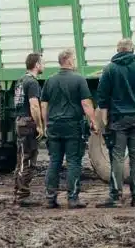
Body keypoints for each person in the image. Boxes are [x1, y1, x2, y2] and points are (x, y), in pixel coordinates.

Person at [95, 37, 135, 208]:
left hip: (118, 120)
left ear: (117, 50)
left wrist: (105, 119)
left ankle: (116, 196)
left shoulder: (109, 70)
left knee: (118, 157)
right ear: (132, 49)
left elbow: (103, 98)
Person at [38, 48, 95, 209]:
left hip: (54, 126)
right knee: (73, 161)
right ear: (69, 61)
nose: (75, 62)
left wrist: (46, 124)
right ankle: (72, 198)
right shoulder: (79, 80)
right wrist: (93, 121)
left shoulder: (50, 80)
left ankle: (50, 198)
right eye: (74, 59)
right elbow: (85, 103)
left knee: (54, 161)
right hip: (72, 126)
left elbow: (44, 105)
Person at [11, 52, 44, 206]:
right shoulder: (32, 82)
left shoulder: (20, 81)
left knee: (21, 159)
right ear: (36, 64)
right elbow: (34, 105)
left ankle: (18, 192)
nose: (43, 65)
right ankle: (23, 195)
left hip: (19, 121)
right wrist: (39, 125)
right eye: (42, 63)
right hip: (28, 122)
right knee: (28, 160)